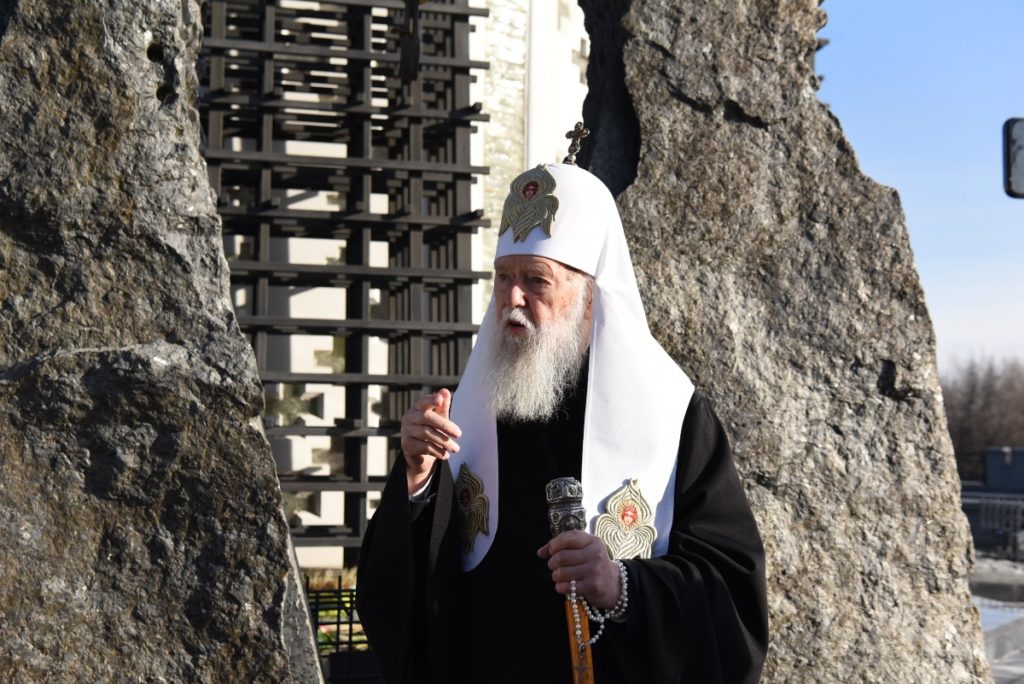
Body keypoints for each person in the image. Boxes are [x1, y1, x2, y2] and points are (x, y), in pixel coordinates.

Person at [357, 160, 768, 684]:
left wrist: (620, 585)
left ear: (591, 296)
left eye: (536, 280)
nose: (513, 299)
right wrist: (418, 480)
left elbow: (731, 597)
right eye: (503, 278)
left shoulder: (672, 417)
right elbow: (405, 596)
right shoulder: (471, 407)